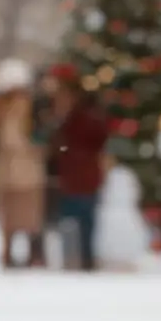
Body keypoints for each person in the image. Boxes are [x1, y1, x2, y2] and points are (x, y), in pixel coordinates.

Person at [49, 65, 112, 271]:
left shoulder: (78, 117)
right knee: (76, 221)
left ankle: (82, 259)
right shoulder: (77, 116)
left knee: (80, 220)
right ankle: (78, 259)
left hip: (79, 175)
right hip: (75, 176)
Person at [0, 59, 48, 268]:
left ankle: (32, 254)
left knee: (28, 217)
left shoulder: (29, 108)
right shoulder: (0, 109)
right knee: (14, 217)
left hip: (23, 170)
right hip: (13, 171)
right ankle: (17, 254)